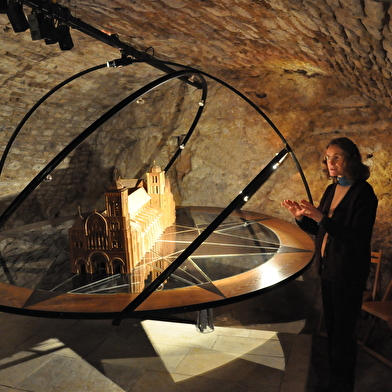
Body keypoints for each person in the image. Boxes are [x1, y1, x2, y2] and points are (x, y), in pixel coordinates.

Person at [281, 137, 378, 392]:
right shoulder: (331, 190)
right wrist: (302, 219)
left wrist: (321, 217)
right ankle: (333, 375)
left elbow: (355, 238)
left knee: (344, 332)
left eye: (337, 157)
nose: (330, 162)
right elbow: (322, 229)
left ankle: (343, 383)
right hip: (328, 270)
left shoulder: (363, 194)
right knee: (333, 328)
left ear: (350, 159)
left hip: (348, 273)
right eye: (327, 157)